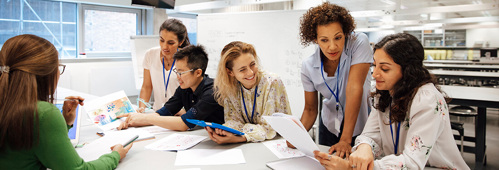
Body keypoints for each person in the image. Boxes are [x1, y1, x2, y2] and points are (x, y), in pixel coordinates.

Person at [314, 33, 470, 170]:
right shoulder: (385, 94)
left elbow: (412, 163)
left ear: (408, 71)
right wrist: (364, 147)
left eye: (385, 69)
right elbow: (370, 135)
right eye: (374, 65)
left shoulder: (427, 100)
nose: (374, 74)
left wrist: (353, 167)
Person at [0, 34, 132, 169]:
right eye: (58, 66)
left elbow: (34, 144)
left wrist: (66, 122)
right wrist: (115, 155)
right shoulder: (42, 113)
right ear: (46, 74)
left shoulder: (9, 105)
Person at [293, 2, 373, 158]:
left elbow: (354, 88)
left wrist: (345, 139)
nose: (332, 47)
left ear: (346, 33)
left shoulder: (358, 43)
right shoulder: (308, 66)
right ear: (315, 39)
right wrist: (297, 138)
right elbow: (310, 110)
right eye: (324, 40)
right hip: (329, 126)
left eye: (338, 37)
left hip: (359, 125)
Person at [118, 45, 224, 131]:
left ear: (198, 72)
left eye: (181, 73)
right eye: (176, 71)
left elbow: (184, 123)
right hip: (203, 135)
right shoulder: (185, 88)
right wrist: (133, 119)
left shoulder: (212, 91)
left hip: (224, 142)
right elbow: (163, 113)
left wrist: (145, 118)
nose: (178, 77)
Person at [206, 41, 292, 144]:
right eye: (242, 70)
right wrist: (224, 130)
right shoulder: (230, 87)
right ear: (230, 72)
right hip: (249, 144)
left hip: (276, 143)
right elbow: (233, 121)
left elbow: (268, 129)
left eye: (252, 64)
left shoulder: (272, 82)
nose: (250, 72)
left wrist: (240, 137)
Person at [138, 18, 190, 113]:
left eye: (171, 43)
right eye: (162, 40)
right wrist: (141, 109)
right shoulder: (150, 54)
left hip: (179, 113)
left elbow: (190, 91)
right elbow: (147, 86)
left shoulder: (187, 59)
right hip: (157, 112)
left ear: (181, 42)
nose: (164, 47)